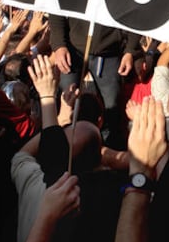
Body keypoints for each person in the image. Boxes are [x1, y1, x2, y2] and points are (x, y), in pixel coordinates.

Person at [49, 16, 141, 149]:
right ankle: (64, 148)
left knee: (112, 108)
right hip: (72, 49)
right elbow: (57, 9)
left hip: (109, 52)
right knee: (66, 101)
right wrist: (59, 45)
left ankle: (107, 151)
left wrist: (130, 51)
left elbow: (136, 12)